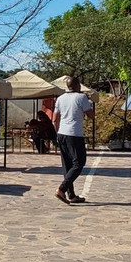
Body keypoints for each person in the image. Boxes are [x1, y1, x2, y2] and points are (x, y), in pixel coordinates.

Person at [53, 75, 95, 204]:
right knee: (79, 163)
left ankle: (71, 195)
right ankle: (62, 189)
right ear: (77, 85)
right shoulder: (81, 97)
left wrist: (58, 134)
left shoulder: (60, 98)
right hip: (74, 134)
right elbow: (91, 115)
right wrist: (89, 102)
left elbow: (54, 119)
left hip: (62, 133)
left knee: (67, 165)